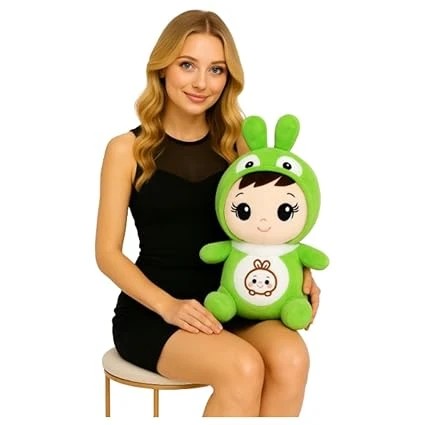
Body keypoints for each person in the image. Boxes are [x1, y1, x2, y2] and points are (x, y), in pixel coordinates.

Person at [95, 9, 321, 417]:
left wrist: (296, 270)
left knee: (292, 358)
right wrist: (169, 306)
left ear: (228, 78)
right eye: (187, 65)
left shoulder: (240, 147)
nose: (202, 83)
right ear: (162, 68)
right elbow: (107, 254)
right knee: (242, 367)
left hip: (233, 301)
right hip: (153, 313)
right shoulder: (125, 150)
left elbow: (271, 225)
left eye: (216, 69)